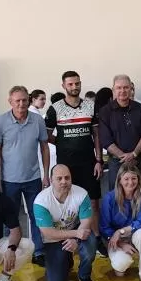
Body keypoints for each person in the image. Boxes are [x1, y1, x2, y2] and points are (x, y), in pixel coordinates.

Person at [0, 86, 50, 267]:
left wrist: (45, 175)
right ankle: (9, 252)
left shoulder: (38, 120)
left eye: (24, 100)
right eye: (17, 100)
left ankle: (39, 251)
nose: (21, 104)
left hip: (33, 179)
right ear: (10, 102)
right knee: (10, 218)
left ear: (29, 100)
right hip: (9, 180)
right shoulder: (0, 122)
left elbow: (44, 148)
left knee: (37, 216)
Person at [44, 71, 104, 246]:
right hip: (66, 166)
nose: (74, 87)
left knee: (93, 202)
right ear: (63, 86)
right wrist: (63, 143)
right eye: (70, 84)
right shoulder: (55, 108)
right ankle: (67, 238)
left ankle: (97, 238)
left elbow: (97, 135)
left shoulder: (90, 106)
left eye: (77, 83)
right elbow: (47, 135)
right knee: (65, 203)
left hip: (89, 163)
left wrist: (99, 160)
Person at [33, 164, 96, 281]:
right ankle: (65, 259)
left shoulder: (81, 194)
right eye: (59, 178)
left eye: (67, 178)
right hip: (54, 239)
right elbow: (48, 233)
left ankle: (84, 275)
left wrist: (76, 239)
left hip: (77, 231)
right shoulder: (41, 201)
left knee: (91, 245)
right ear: (51, 180)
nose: (64, 182)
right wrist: (75, 234)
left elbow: (86, 223)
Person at [100, 163, 141, 281]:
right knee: (121, 266)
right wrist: (120, 242)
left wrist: (121, 231)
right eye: (126, 179)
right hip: (115, 239)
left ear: (138, 179)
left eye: (134, 178)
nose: (130, 182)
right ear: (119, 180)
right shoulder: (109, 198)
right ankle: (122, 258)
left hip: (134, 233)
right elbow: (104, 227)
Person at [98, 74, 141, 189]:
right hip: (116, 162)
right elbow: (105, 140)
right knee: (117, 198)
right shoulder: (105, 112)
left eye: (126, 87)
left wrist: (134, 154)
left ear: (131, 89)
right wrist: (124, 157)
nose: (122, 91)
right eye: (119, 87)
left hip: (139, 160)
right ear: (113, 90)